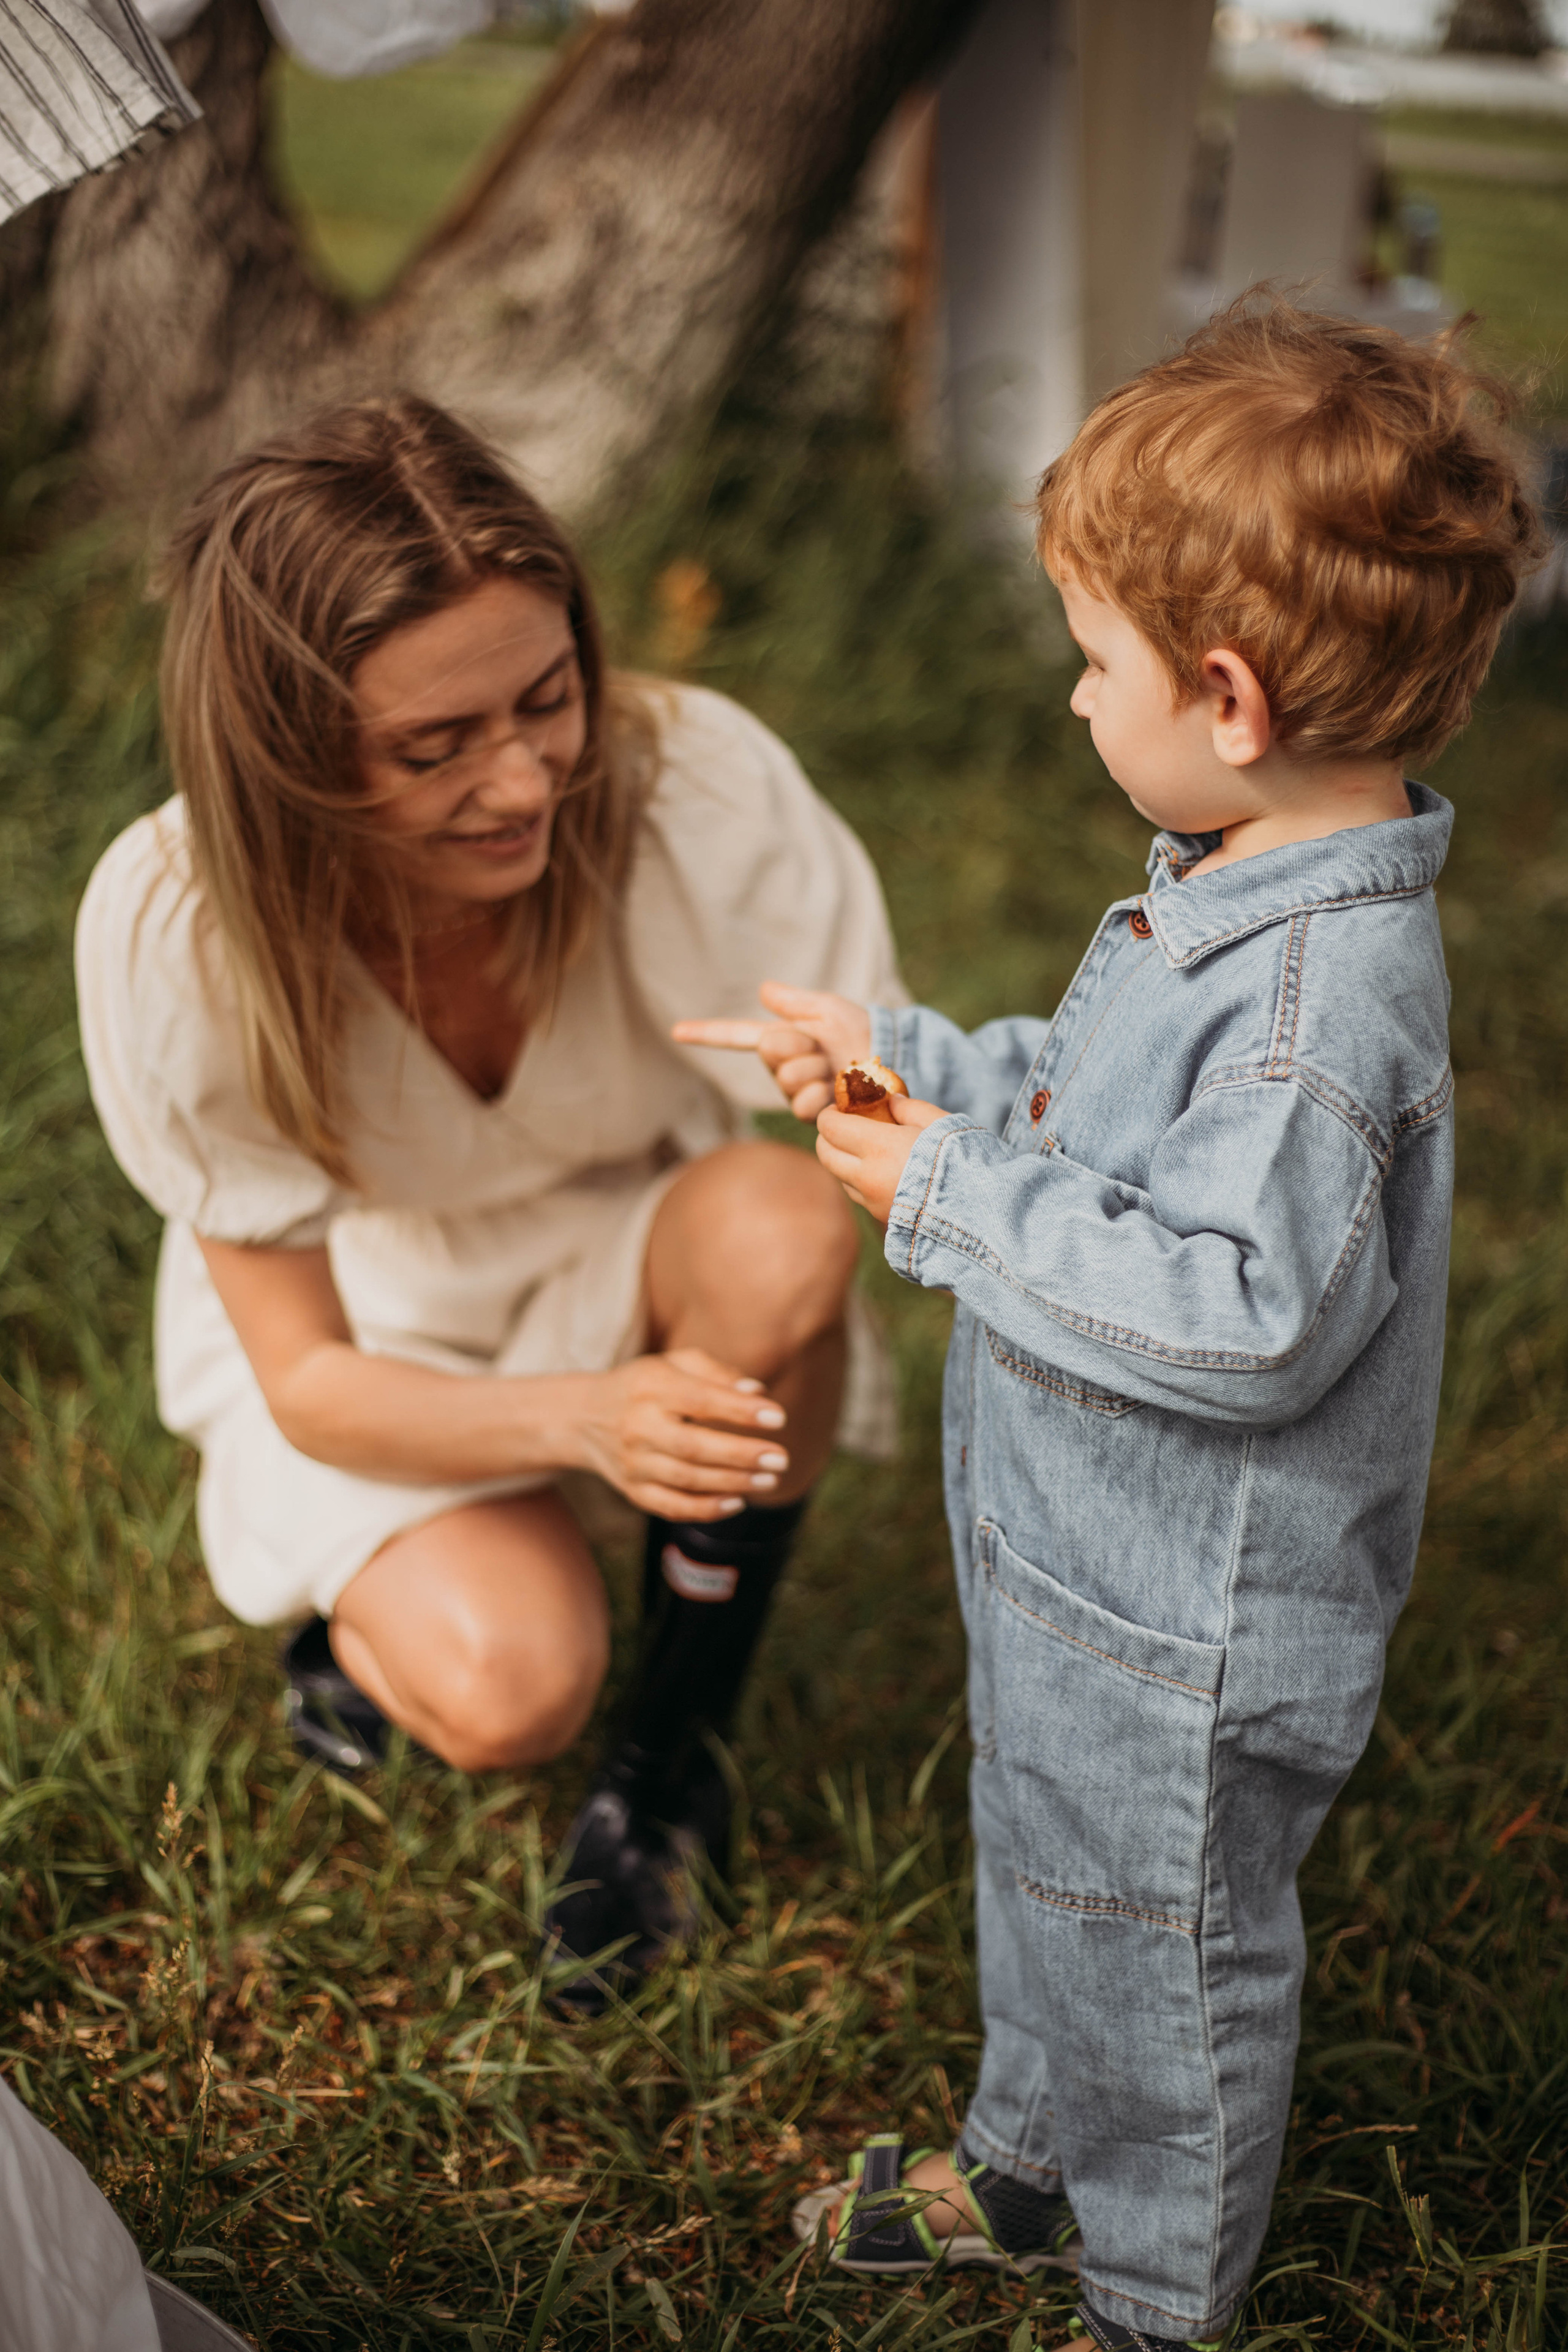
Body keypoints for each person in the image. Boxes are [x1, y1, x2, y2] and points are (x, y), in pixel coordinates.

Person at [681, 300, 1538, 2346]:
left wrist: (957, 1201)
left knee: (1163, 1952)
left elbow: (1248, 1316)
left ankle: (1151, 2296)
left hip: (1192, 1625)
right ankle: (1024, 2163)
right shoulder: (1227, 878)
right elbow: (1100, 1118)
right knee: (1055, 1884)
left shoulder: (1328, 1006)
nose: (1077, 703)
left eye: (1093, 660)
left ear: (1226, 695)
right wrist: (900, 1066)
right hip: (1086, 1576)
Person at [75, 393, 903, 2007]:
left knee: (788, 1228)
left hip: (627, 1231)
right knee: (509, 1690)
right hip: (368, 1325)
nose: (523, 783)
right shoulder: (180, 925)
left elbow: (870, 1099)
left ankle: (669, 1762)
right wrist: (589, 1421)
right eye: (434, 748)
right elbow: (307, 1377)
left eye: (547, 699)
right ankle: (359, 1620)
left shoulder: (686, 784)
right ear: (290, 758)